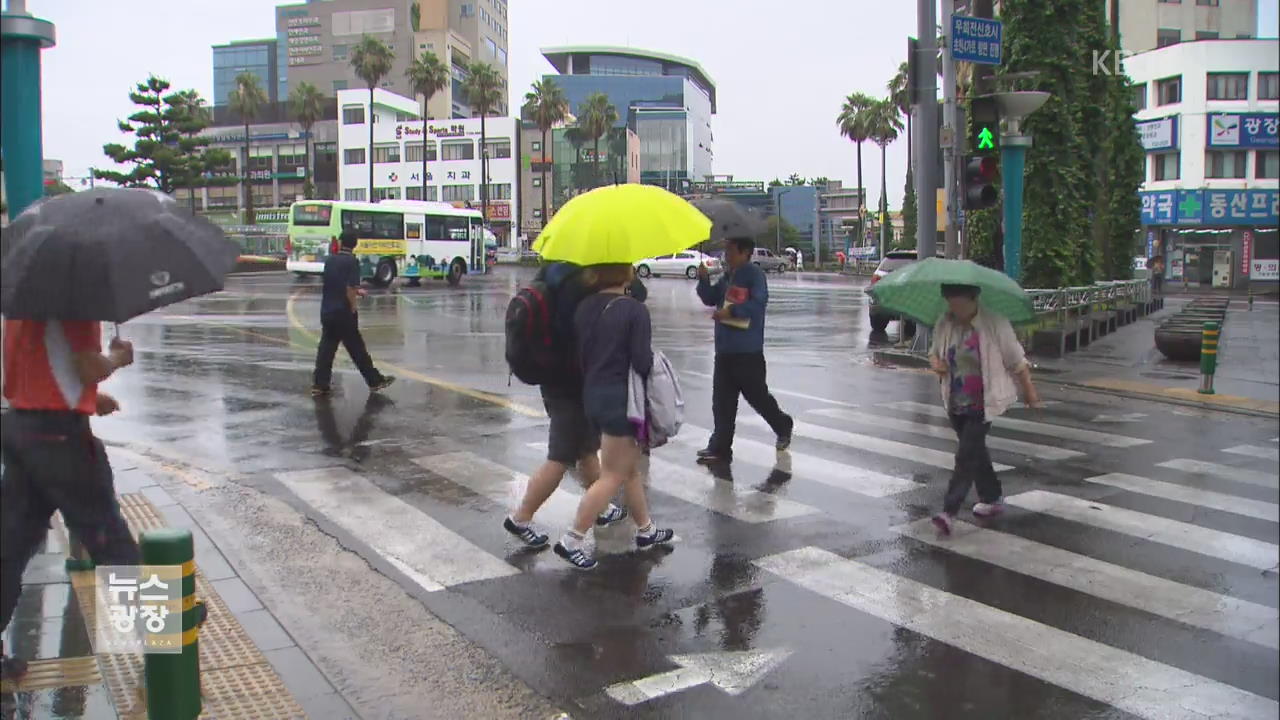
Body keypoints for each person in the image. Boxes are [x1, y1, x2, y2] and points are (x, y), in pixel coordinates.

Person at [1, 319, 141, 679]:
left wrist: (88, 400)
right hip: (62, 439)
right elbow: (85, 366)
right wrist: (116, 358)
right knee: (111, 540)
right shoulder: (74, 295)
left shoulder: (22, 298)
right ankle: (167, 647)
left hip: (19, 430)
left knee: (9, 545)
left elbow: (25, 377)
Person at [501, 263, 636, 549]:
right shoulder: (581, 282)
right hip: (569, 380)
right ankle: (521, 518)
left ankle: (600, 507)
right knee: (560, 457)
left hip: (552, 374)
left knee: (585, 447)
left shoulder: (553, 270)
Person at [552, 264, 674, 570]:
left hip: (592, 396)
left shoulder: (583, 308)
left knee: (627, 470)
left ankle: (646, 530)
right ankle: (572, 539)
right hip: (623, 401)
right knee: (613, 475)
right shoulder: (634, 310)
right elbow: (643, 362)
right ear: (628, 273)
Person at [928, 283, 1042, 536]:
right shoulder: (945, 323)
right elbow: (934, 354)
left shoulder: (994, 323)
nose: (954, 308)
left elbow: (1017, 361)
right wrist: (938, 365)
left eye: (959, 303)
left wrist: (1029, 393)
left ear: (973, 299)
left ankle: (949, 511)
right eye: (950, 302)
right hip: (955, 399)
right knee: (975, 451)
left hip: (984, 401)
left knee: (966, 454)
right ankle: (993, 498)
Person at [694, 236, 794, 464]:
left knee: (757, 397)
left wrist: (732, 312)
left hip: (747, 351)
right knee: (722, 402)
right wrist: (703, 280)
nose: (725, 256)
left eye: (730, 251)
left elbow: (759, 304)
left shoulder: (754, 275)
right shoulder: (727, 277)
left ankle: (782, 424)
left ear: (744, 253)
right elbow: (710, 299)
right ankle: (719, 448)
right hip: (724, 351)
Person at [312, 230, 395, 396]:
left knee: (326, 349)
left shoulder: (330, 261)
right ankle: (375, 381)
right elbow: (349, 288)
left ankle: (320, 385)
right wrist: (353, 306)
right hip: (343, 313)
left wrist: (357, 291)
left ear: (341, 243)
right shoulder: (352, 262)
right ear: (354, 245)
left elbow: (336, 284)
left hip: (327, 311)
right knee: (357, 349)